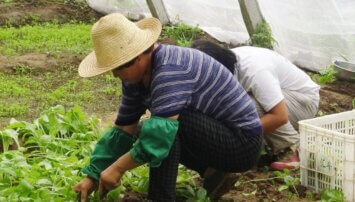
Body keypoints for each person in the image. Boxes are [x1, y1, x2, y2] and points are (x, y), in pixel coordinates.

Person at [73, 13, 263, 202]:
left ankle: (161, 198)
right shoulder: (135, 78)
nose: (115, 75)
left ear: (138, 57)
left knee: (162, 128)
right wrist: (93, 174)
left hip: (242, 144)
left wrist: (118, 168)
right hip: (215, 137)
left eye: (118, 67)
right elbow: (124, 129)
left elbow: (160, 136)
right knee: (148, 129)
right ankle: (213, 172)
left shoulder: (169, 70)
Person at [191, 40, 320, 170]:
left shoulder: (254, 70)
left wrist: (240, 136)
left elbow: (280, 116)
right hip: (284, 99)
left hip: (304, 101)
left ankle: (291, 148)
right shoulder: (228, 64)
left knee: (246, 106)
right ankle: (264, 147)